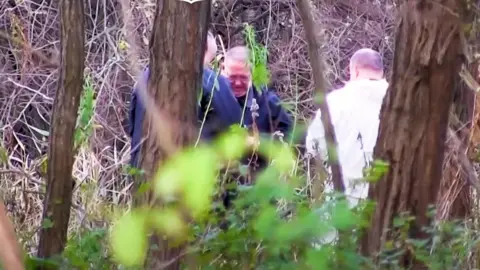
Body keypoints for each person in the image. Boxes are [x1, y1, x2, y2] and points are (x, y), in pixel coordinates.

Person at [128, 31, 242, 168]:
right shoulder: (208, 80)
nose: (208, 66)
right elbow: (233, 123)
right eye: (209, 60)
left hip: (141, 171)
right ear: (201, 49)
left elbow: (132, 127)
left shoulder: (144, 78)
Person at [305, 48, 389, 207]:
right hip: (387, 201)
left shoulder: (334, 102)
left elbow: (314, 146)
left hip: (344, 196)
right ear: (381, 72)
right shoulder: (398, 103)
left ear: (355, 71)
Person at [222, 46, 293, 138]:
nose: (238, 83)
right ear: (223, 71)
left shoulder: (269, 103)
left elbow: (290, 136)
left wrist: (257, 142)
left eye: (244, 78)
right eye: (232, 77)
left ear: (252, 76)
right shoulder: (212, 100)